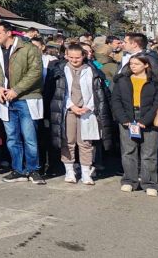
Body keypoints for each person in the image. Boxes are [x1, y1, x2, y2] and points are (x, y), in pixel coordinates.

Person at [0, 21, 45, 185]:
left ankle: (34, 170)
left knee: (29, 137)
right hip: (5, 99)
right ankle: (18, 170)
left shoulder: (28, 48)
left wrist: (16, 90)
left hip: (26, 98)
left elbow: (35, 72)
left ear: (8, 33)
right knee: (12, 138)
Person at [46, 43, 112, 186]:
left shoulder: (91, 70)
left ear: (84, 56)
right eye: (71, 57)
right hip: (68, 110)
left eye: (78, 57)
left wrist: (88, 107)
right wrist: (71, 105)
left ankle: (86, 172)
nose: (75, 60)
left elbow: (97, 92)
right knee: (68, 140)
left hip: (87, 110)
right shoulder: (61, 70)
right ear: (66, 56)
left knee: (86, 142)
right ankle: (69, 170)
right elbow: (59, 92)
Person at [111, 54, 158, 196]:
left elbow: (157, 103)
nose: (133, 66)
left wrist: (145, 120)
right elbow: (116, 100)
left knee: (149, 153)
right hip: (127, 117)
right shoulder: (122, 80)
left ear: (146, 65)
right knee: (128, 151)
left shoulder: (155, 81)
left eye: (137, 64)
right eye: (131, 63)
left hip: (148, 118)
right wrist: (123, 118)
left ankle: (150, 183)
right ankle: (129, 180)